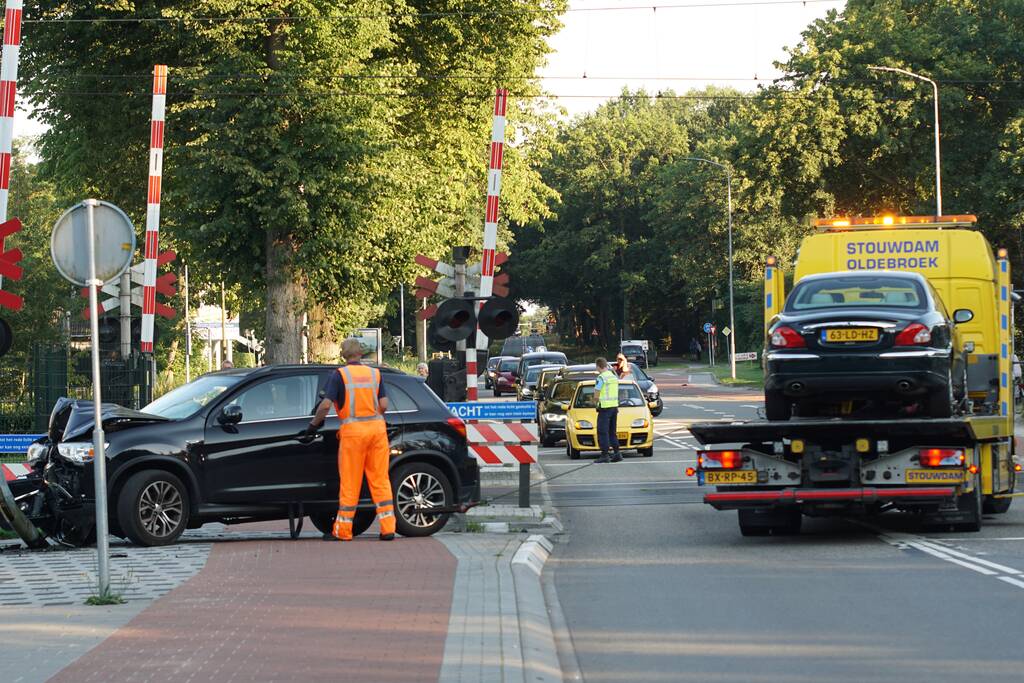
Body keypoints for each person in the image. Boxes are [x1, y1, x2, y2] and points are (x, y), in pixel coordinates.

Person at [305, 338, 396, 542]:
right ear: (361, 354)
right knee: (380, 479)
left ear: (343, 355)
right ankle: (388, 528)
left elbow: (326, 405)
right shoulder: (375, 374)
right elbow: (384, 404)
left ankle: (344, 531)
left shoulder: (340, 375)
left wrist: (313, 425)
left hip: (353, 434)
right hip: (377, 431)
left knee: (350, 482)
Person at [594, 357, 621, 463]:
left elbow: (596, 395)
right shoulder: (613, 376)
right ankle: (617, 453)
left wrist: (595, 403)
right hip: (614, 407)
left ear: (598, 366)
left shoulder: (601, 378)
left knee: (602, 431)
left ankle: (604, 455)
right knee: (612, 432)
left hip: (604, 408)